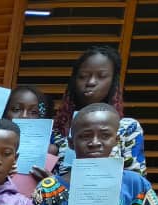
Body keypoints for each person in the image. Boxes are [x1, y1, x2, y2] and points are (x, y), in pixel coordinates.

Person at [52, 45, 145, 175]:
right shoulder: (58, 130)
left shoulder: (127, 128)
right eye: (83, 76)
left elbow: (137, 181)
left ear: (113, 81)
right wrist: (52, 183)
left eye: (101, 76)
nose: (91, 82)